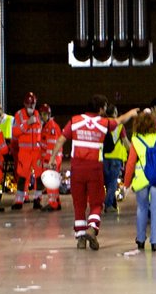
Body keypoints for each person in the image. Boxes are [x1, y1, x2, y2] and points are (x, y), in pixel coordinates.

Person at [58, 95, 138, 250]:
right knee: (96, 202)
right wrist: (132, 112)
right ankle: (92, 228)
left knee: (79, 204)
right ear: (101, 108)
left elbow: (61, 140)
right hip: (95, 168)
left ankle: (81, 239)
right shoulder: (103, 123)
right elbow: (120, 120)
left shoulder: (74, 121)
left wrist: (53, 158)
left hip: (77, 169)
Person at [123, 109, 156, 251]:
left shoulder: (136, 139)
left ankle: (140, 239)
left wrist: (126, 184)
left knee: (142, 209)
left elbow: (131, 163)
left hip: (142, 179)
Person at [10, 93, 47, 209]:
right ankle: (19, 200)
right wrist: (27, 123)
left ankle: (37, 199)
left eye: (33, 103)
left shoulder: (38, 114)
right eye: (29, 104)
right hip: (24, 152)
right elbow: (15, 132)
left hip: (37, 151)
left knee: (39, 176)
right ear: (25, 104)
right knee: (22, 176)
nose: (31, 106)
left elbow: (42, 132)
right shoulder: (18, 115)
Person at [36, 103, 64, 210]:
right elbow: (43, 146)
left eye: (44, 114)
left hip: (52, 159)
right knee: (53, 182)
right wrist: (40, 159)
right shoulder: (46, 126)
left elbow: (52, 147)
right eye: (41, 114)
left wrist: (49, 161)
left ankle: (53, 204)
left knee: (50, 182)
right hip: (50, 159)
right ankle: (56, 202)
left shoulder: (51, 128)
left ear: (48, 114)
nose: (42, 117)